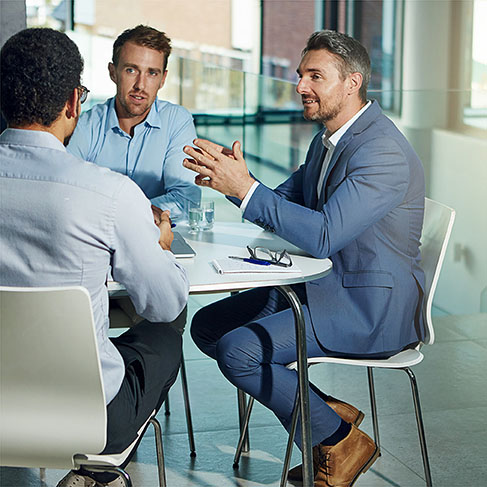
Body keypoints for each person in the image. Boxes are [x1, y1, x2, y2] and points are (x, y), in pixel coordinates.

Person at [182, 30, 425, 486]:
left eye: (315, 75)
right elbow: (282, 206)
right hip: (321, 289)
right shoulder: (328, 140)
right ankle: (325, 414)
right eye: (300, 75)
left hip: (369, 308)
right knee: (208, 327)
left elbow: (323, 235)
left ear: (352, 83)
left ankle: (340, 440)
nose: (300, 86)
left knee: (239, 352)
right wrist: (235, 179)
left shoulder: (381, 151)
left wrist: (245, 189)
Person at [0, 28, 189, 487]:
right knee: (168, 322)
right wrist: (155, 248)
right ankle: (100, 473)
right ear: (73, 102)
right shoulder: (108, 194)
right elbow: (164, 304)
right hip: (89, 419)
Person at [67, 24, 200, 222]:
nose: (140, 85)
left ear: (163, 79)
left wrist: (112, 213)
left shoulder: (176, 121)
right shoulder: (86, 124)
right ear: (113, 72)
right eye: (131, 70)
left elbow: (185, 200)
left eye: (152, 73)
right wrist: (143, 213)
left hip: (156, 241)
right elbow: (68, 195)